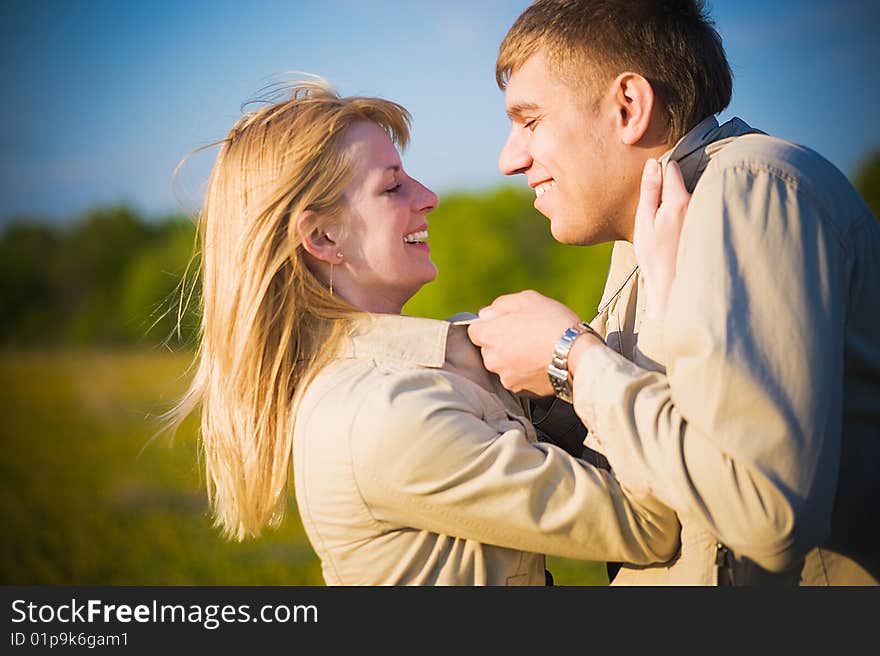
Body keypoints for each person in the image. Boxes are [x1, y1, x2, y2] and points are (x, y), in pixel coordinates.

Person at [170, 78, 684, 586]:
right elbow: (651, 524)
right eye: (392, 186)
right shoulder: (385, 414)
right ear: (323, 236)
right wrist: (608, 332)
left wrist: (552, 387)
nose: (429, 196)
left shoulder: (441, 362)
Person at [468, 0, 880, 585]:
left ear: (628, 107)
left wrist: (570, 358)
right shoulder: (652, 225)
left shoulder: (746, 188)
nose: (510, 158)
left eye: (530, 121)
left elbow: (763, 511)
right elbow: (663, 450)